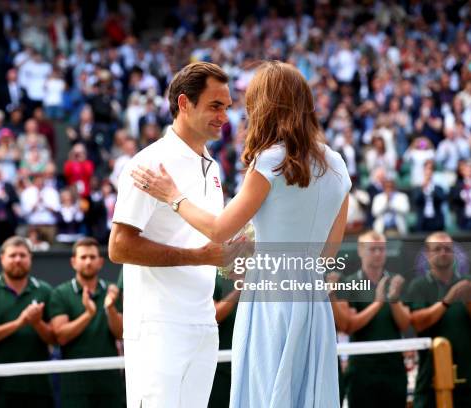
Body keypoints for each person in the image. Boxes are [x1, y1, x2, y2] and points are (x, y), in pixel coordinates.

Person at [131, 61, 350, 407]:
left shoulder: (270, 161)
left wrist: (172, 196)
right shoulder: (338, 163)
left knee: (263, 393)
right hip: (312, 298)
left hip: (270, 298)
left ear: (266, 105)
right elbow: (329, 252)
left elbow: (219, 229)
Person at [108, 61, 232, 407]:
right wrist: (199, 257)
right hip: (158, 327)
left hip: (202, 322)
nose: (224, 116)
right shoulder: (147, 164)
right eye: (215, 106)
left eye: (227, 107)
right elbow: (118, 247)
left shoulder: (214, 167)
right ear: (183, 103)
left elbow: (206, 242)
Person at [0, 236, 54, 408]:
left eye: (23, 255)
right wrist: (19, 322)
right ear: (2, 258)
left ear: (30, 258)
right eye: (13, 255)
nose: (18, 259)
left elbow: (55, 338)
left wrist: (37, 322)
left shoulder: (45, 290)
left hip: (38, 387)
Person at [333, 231, 410, 408]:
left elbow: (405, 324)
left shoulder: (395, 282)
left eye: (381, 249)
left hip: (393, 368)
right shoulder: (349, 282)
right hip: (362, 370)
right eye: (372, 249)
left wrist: (394, 300)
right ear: (360, 250)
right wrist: (377, 303)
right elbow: (348, 325)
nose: (378, 253)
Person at [50, 237, 124, 407]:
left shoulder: (112, 292)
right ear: (73, 262)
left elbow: (121, 334)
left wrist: (110, 308)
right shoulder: (60, 293)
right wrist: (88, 314)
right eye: (83, 257)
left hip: (109, 381)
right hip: (75, 382)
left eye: (92, 257)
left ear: (100, 262)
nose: (88, 262)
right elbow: (60, 336)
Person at [406, 232, 471, 408]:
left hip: (469, 375)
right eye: (438, 249)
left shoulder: (468, 283)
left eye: (448, 249)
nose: (443, 252)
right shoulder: (418, 286)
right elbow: (418, 323)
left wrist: (469, 300)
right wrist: (447, 301)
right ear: (427, 254)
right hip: (431, 377)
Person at [208, 275, 239, 408]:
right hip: (220, 370)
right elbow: (212, 317)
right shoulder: (215, 276)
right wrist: (240, 290)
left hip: (250, 368)